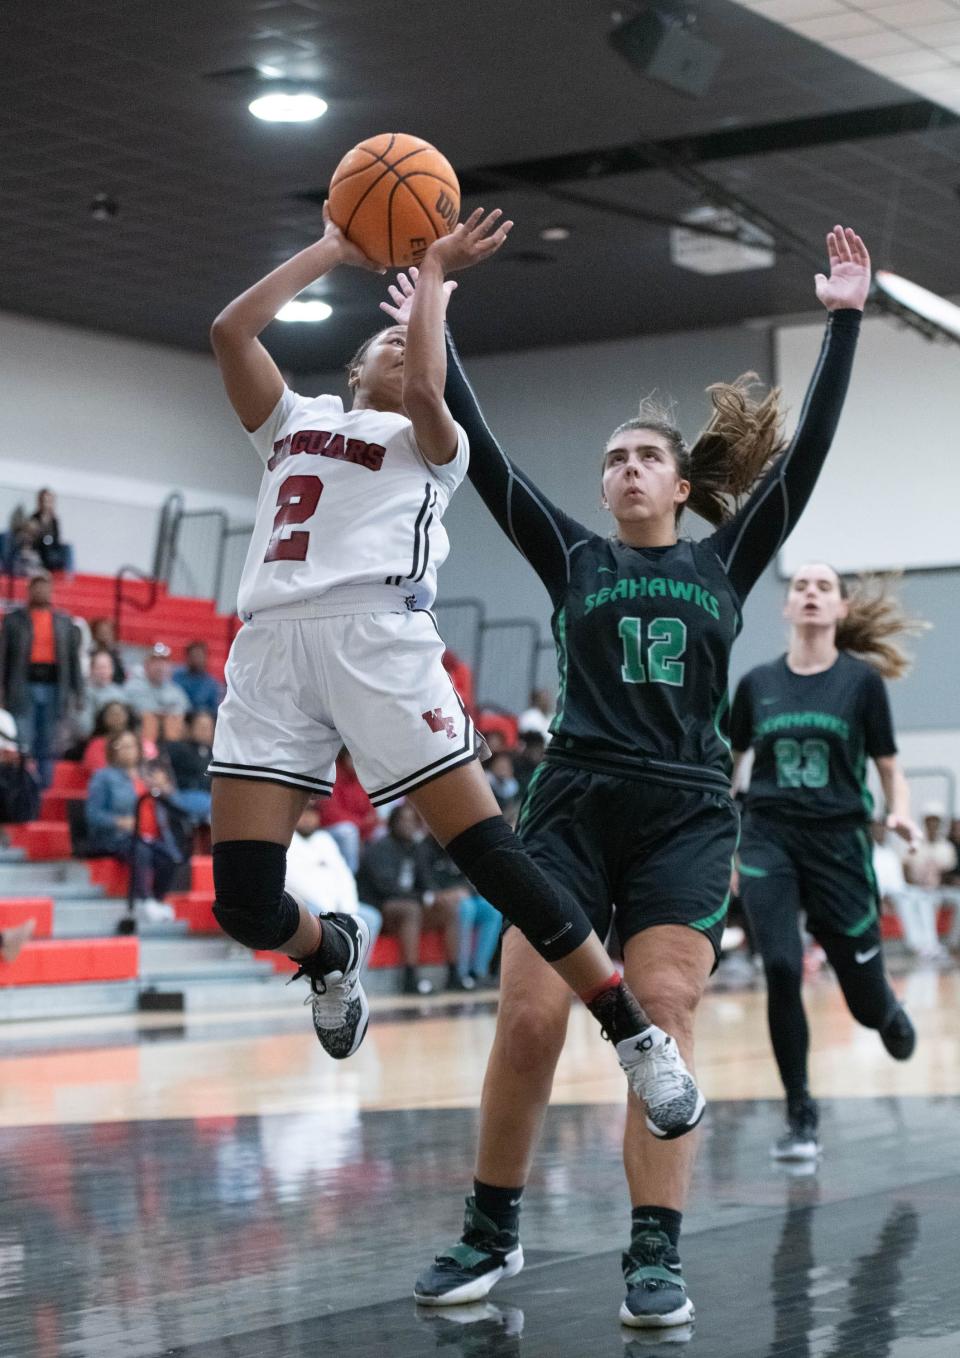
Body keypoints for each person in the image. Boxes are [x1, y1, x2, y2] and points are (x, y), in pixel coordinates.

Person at [387, 224, 871, 1326]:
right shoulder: (572, 554)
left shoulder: (724, 559)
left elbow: (808, 457)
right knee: (528, 1022)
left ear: (681, 480)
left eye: (645, 454)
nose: (625, 467)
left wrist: (841, 322)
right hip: (570, 804)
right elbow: (483, 447)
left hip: (686, 813)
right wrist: (438, 309)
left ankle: (654, 1250)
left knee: (665, 1006)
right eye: (611, 457)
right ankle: (490, 1226)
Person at [204, 200, 692, 1127]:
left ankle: (632, 1030)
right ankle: (327, 954)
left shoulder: (436, 446)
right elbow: (231, 330)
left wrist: (428, 281)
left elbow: (432, 389)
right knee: (242, 904)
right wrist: (332, 249)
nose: (398, 350)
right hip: (270, 648)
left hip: (379, 641)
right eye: (382, 344)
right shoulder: (290, 421)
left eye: (405, 341)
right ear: (351, 369)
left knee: (493, 859)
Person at [731, 567, 923, 1163]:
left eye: (822, 587)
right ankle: (800, 1113)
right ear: (787, 608)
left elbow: (890, 768)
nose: (809, 592)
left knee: (865, 1006)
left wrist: (901, 814)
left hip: (840, 845)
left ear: (840, 608)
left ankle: (886, 1009)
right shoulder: (757, 683)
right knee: (783, 968)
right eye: (800, 586)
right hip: (769, 838)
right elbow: (728, 764)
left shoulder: (861, 684)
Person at [356, 802, 460, 996]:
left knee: (447, 909)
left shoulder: (416, 849)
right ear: (392, 823)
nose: (408, 825)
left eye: (413, 821)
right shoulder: (379, 848)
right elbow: (386, 888)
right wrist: (424, 897)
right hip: (380, 908)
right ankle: (410, 979)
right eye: (404, 820)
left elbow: (425, 882)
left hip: (410, 906)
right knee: (410, 909)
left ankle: (454, 974)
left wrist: (436, 895)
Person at [0, 569, 83, 786]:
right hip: (23, 684)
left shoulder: (64, 623)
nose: (41, 591)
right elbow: (3, 658)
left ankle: (44, 785)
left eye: (45, 586)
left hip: (55, 685)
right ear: (29, 590)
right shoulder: (14, 621)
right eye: (36, 586)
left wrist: (78, 692)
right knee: (23, 737)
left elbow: (73, 661)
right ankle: (22, 784)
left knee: (48, 739)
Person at [85, 731, 182, 913]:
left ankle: (158, 900)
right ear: (113, 751)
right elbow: (93, 814)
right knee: (140, 850)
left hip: (151, 836)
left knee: (170, 856)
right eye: (123, 746)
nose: (129, 750)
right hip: (117, 836)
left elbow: (175, 804)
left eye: (132, 746)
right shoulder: (103, 777)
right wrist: (119, 821)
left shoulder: (149, 777)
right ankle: (144, 900)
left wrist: (165, 789)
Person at [286, 802, 382, 969]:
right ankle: (326, 976)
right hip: (306, 905)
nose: (308, 818)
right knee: (317, 916)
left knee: (370, 918)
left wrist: (347, 909)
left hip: (337, 906)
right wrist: (331, 910)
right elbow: (296, 882)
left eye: (312, 813)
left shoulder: (324, 840)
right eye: (304, 813)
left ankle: (355, 976)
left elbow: (345, 876)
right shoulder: (287, 840)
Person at [871, 821, 943, 962]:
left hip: (899, 890)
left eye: (883, 831)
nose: (881, 833)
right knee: (905, 903)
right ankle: (916, 945)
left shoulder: (890, 852)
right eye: (878, 830)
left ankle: (931, 943)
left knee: (923, 897)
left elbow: (899, 882)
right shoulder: (869, 853)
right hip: (883, 894)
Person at [317, 749, 380, 873]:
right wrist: (362, 824)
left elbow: (372, 814)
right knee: (348, 832)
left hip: (359, 828)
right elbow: (330, 814)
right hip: (330, 830)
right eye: (352, 757)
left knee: (381, 833)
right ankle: (350, 876)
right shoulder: (333, 775)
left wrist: (365, 825)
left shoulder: (362, 778)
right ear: (344, 757)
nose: (356, 761)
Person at [123, 642, 189, 741]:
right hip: (139, 733)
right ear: (146, 665)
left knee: (174, 721)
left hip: (171, 734)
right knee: (150, 720)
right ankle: (149, 752)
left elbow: (183, 713)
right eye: (155, 662)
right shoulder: (133, 687)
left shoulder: (177, 691)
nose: (160, 666)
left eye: (164, 662)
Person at [163, 709, 215, 826]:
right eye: (201, 726)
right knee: (214, 807)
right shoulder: (177, 748)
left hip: (207, 796)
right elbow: (161, 767)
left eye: (209, 727)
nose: (206, 731)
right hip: (183, 794)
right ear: (189, 727)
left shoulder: (214, 753)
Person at [82, 701, 157, 774]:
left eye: (120, 713)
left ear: (127, 716)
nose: (116, 716)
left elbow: (153, 765)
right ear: (103, 719)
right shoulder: (96, 744)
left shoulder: (140, 741)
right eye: (111, 714)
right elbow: (98, 770)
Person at [74, 649, 128, 743]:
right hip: (93, 739)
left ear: (112, 670)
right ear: (91, 670)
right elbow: (84, 727)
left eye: (106, 667)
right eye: (99, 667)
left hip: (119, 739)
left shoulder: (120, 693)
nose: (102, 671)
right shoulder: (83, 693)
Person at [28, 488, 71, 573]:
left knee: (67, 548)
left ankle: (68, 576)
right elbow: (32, 539)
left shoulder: (54, 520)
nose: (47, 504)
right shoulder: (35, 518)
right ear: (40, 502)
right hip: (40, 548)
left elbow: (57, 538)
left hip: (52, 548)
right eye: (45, 501)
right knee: (46, 545)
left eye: (49, 501)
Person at [172, 641, 222, 715]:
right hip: (179, 714)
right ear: (187, 657)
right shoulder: (176, 676)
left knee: (204, 720)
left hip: (200, 716)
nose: (197, 660)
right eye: (194, 656)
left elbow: (214, 708)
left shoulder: (211, 683)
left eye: (200, 656)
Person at [89, 618, 126, 684]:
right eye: (101, 632)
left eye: (108, 632)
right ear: (95, 634)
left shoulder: (116, 654)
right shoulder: (90, 653)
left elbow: (121, 677)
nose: (104, 635)